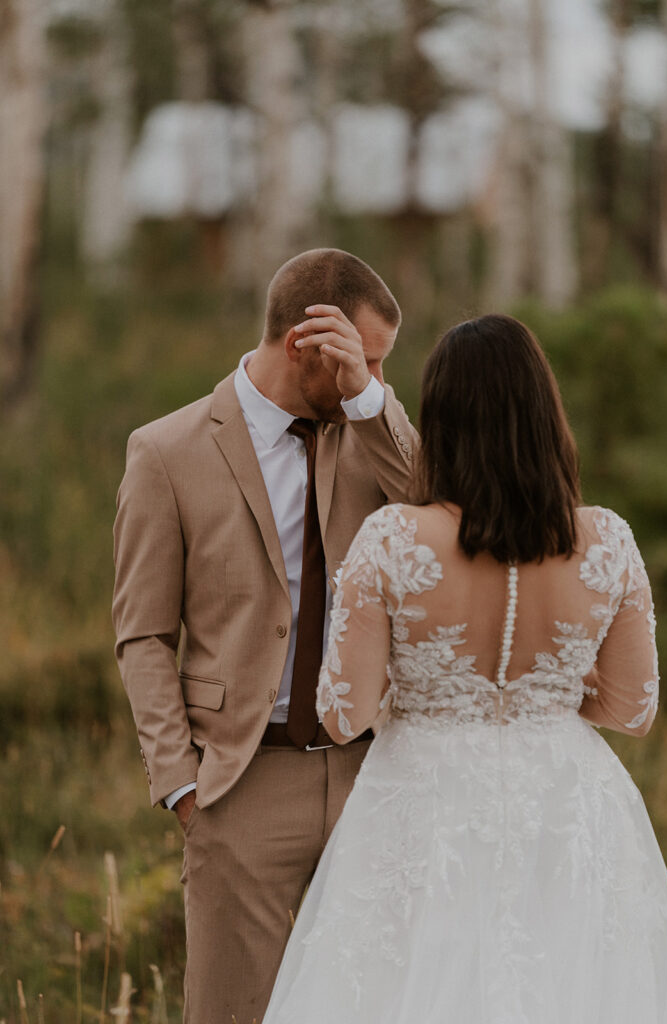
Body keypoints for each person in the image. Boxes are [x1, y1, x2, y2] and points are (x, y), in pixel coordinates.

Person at [262, 314, 667, 1024]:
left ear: (442, 419)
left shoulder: (393, 538)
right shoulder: (605, 539)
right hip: (565, 800)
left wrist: (424, 685)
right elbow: (631, 710)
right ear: (546, 416)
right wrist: (543, 691)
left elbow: (344, 715)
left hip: (423, 800)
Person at [112, 248, 419, 1024]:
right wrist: (182, 783)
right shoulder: (166, 451)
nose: (372, 377)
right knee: (230, 1011)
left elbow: (438, 512)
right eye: (364, 359)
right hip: (240, 783)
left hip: (371, 774)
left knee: (380, 1006)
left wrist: (369, 400)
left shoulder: (369, 427)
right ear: (302, 346)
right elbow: (143, 634)